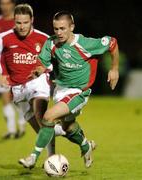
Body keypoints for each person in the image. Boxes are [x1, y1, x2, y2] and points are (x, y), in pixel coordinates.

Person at [19, 11, 119, 169]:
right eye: (56, 28)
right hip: (60, 90)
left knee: (48, 117)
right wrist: (38, 70)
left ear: (72, 27)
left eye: (63, 28)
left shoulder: (86, 44)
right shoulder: (51, 43)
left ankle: (33, 157)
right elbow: (42, 63)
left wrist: (114, 69)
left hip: (79, 92)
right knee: (68, 127)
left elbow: (112, 43)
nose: (59, 32)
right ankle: (85, 145)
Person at [0, 3, 59, 157]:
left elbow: (62, 55)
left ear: (32, 20)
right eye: (18, 23)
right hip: (17, 88)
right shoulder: (4, 38)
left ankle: (52, 158)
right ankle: (67, 131)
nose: (22, 26)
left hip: (39, 83)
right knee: (39, 127)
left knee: (40, 114)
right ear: (14, 22)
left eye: (25, 22)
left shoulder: (44, 38)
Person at [0, 0, 26, 139]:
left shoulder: (21, 20)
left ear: (13, 4)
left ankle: (21, 124)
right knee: (5, 97)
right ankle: (12, 130)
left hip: (18, 63)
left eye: (7, 3)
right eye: (2, 3)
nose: (4, 6)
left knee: (17, 97)